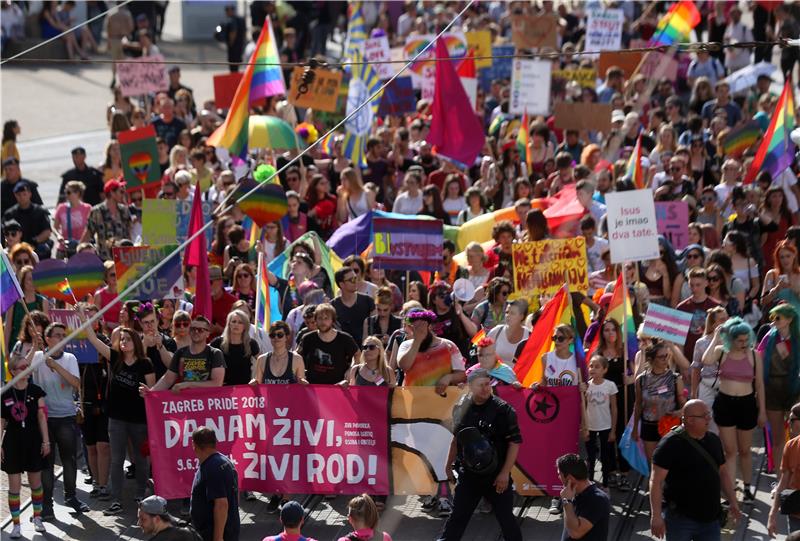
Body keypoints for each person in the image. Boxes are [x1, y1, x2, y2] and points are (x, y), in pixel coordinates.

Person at [80, 308, 156, 516]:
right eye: (121, 339)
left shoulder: (145, 363)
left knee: (141, 460)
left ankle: (141, 493)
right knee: (117, 458)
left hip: (139, 420)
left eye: (127, 339)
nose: (123, 342)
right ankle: (116, 500)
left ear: (136, 343)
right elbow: (93, 339)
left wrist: (147, 393)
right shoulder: (114, 357)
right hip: (116, 419)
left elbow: (154, 390)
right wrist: (82, 318)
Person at [437, 368, 522, 541]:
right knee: (457, 519)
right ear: (470, 386)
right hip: (469, 476)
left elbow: (514, 442)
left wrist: (505, 473)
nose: (485, 389)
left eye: (487, 384)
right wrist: (447, 466)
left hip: (496, 477)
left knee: (506, 521)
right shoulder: (461, 407)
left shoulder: (503, 411)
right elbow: (457, 439)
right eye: (480, 385)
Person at [649, 400, 741, 540]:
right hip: (680, 520)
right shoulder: (669, 444)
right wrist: (656, 516)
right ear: (690, 420)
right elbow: (656, 482)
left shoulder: (713, 440)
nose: (709, 418)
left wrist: (733, 501)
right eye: (705, 415)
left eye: (708, 414)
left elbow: (723, 472)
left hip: (710, 519)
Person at [701, 317, 766, 501]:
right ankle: (730, 491)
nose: (744, 344)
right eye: (740, 340)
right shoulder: (721, 351)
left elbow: (759, 385)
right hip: (725, 403)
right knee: (730, 450)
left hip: (746, 404)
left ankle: (746, 486)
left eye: (747, 340)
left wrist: (762, 411)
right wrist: (716, 337)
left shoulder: (754, 355)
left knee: (745, 450)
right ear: (732, 339)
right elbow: (706, 360)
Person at [32, 323, 88, 517]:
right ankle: (47, 505)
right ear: (47, 339)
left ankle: (71, 496)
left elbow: (76, 384)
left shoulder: (70, 358)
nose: (61, 339)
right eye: (57, 336)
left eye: (63, 335)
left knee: (69, 460)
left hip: (65, 416)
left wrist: (55, 365)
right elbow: (20, 369)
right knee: (46, 464)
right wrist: (34, 346)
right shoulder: (38, 357)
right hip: (44, 419)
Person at [2, 351, 49, 539]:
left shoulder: (36, 390)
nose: (27, 370)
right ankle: (16, 525)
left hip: (33, 441)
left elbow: (42, 417)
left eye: (28, 367)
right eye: (23, 367)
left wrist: (46, 441)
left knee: (35, 483)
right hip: (12, 442)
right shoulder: (5, 392)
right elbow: (1, 422)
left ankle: (37, 518)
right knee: (14, 487)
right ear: (13, 371)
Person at [758, 303, 800, 477]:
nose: (774, 321)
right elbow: (758, 362)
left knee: (797, 435)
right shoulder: (768, 338)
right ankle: (780, 477)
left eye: (778, 317)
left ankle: (796, 476)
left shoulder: (798, 338)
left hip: (794, 389)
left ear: (789, 319)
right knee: (777, 439)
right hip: (772, 389)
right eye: (772, 317)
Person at [146, 316, 225, 392]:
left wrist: (189, 384)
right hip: (185, 402)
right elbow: (167, 380)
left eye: (200, 330)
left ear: (208, 333)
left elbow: (217, 383)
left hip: (207, 401)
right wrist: (150, 392)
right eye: (193, 329)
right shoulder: (180, 353)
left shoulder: (215, 353)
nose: (196, 332)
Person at [189, 427, 240, 541]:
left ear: (194, 444)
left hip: (214, 533)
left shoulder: (212, 468)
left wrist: (218, 537)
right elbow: (235, 495)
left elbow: (221, 504)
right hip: (228, 528)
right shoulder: (224, 461)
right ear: (215, 442)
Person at [296, 303, 359, 385]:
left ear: (333, 320)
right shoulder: (307, 338)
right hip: (313, 388)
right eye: (320, 318)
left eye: (326, 318)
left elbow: (358, 354)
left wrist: (351, 370)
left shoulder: (345, 338)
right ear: (316, 320)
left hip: (338, 387)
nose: (323, 322)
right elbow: (296, 356)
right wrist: (300, 374)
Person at [556, 453, 611, 541]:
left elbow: (575, 532)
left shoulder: (597, 499)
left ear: (570, 478)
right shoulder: (573, 494)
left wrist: (566, 501)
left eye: (560, 474)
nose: (558, 477)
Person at [584, 355, 618, 492]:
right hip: (590, 426)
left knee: (605, 457)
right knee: (590, 457)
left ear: (605, 369)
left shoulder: (610, 385)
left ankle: (605, 485)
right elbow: (583, 407)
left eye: (597, 366)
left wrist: (613, 430)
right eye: (591, 366)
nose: (593, 369)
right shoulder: (586, 386)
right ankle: (590, 485)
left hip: (606, 426)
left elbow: (614, 408)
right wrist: (584, 427)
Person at [767, 402, 800, 537]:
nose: (788, 423)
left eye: (792, 420)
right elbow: (783, 483)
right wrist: (772, 514)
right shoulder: (791, 446)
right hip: (796, 515)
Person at [82, 178, 132, 261]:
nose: (123, 194)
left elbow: (128, 234)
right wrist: (78, 254)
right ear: (112, 193)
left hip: (124, 258)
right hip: (105, 259)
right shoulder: (96, 211)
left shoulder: (124, 210)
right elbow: (88, 234)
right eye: (121, 192)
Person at [2, 180, 52, 260]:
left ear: (30, 194)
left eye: (24, 194)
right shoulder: (10, 214)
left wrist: (34, 241)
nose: (22, 197)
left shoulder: (40, 211)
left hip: (35, 245)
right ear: (15, 195)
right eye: (19, 195)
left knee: (44, 249)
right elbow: (5, 233)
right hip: (14, 246)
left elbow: (47, 231)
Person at [210, 310, 259, 386]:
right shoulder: (217, 342)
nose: (236, 324)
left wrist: (256, 378)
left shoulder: (251, 343)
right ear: (229, 324)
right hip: (221, 389)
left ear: (245, 326)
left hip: (244, 389)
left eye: (240, 322)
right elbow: (205, 357)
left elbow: (263, 362)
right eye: (234, 321)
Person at [332, 267, 375, 345]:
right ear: (341, 284)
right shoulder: (333, 306)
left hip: (366, 349)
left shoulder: (368, 301)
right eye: (352, 280)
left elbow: (375, 327)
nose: (356, 282)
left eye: (356, 278)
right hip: (342, 350)